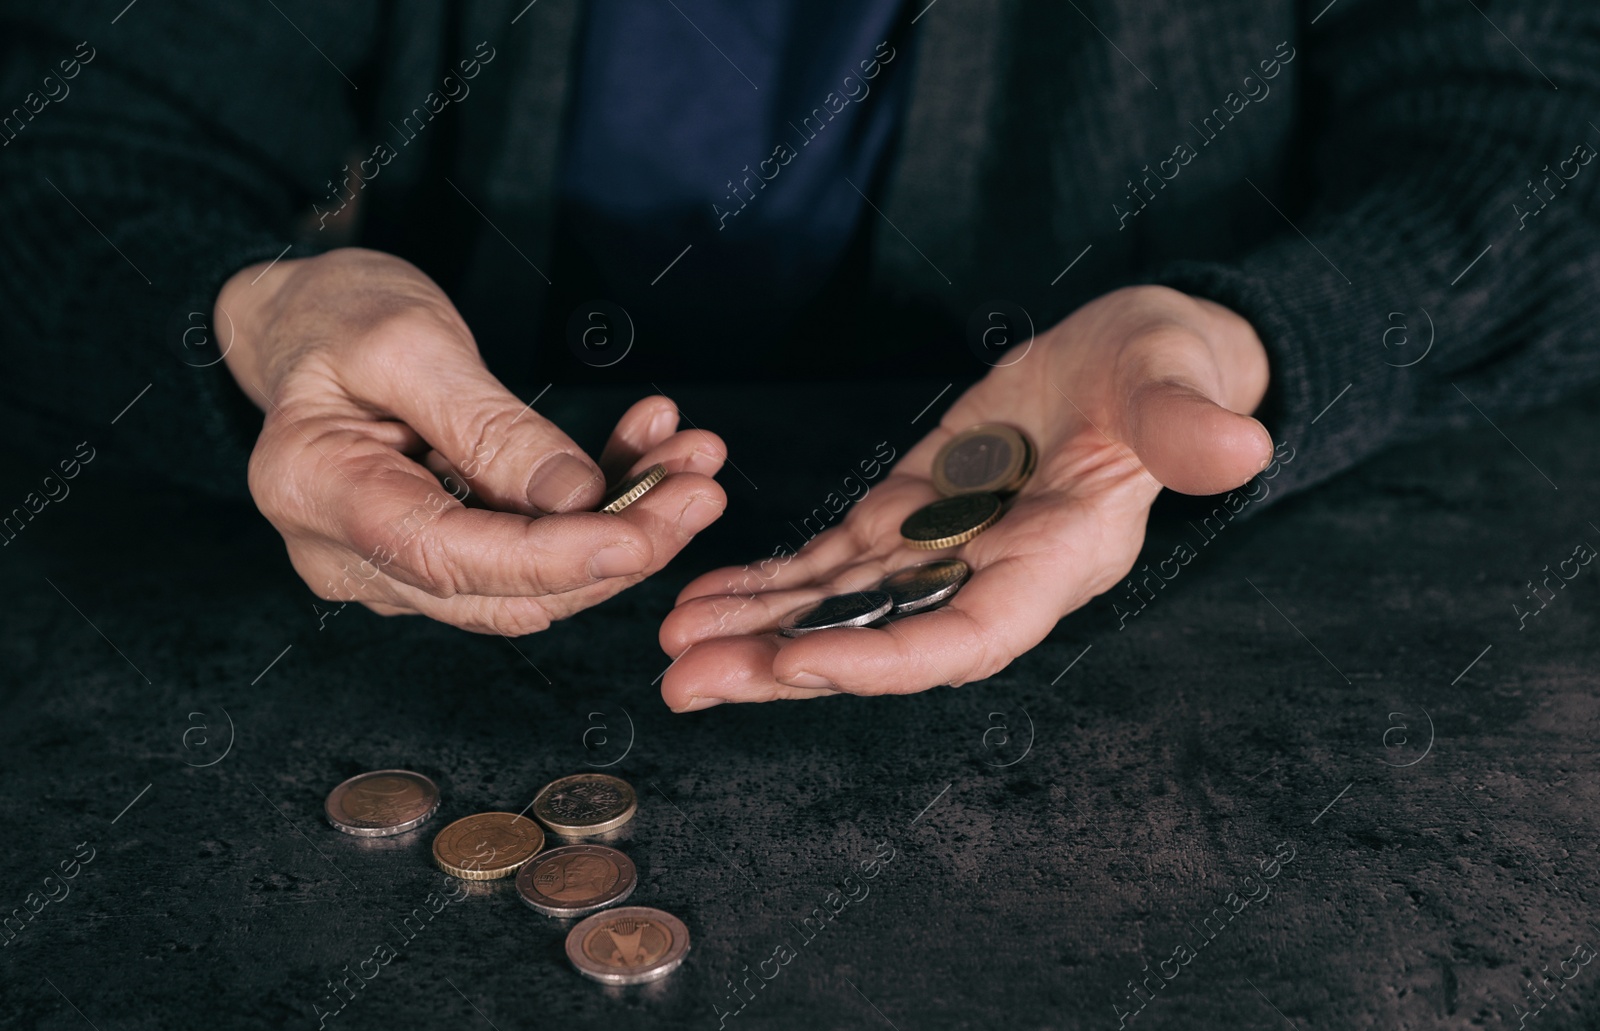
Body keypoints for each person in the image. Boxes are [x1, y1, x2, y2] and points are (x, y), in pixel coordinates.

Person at [2, 1, 1597, 712]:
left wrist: (1252, 339)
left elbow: (1542, 130)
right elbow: (70, 131)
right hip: (426, 636)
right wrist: (248, 326)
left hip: (1196, 624)